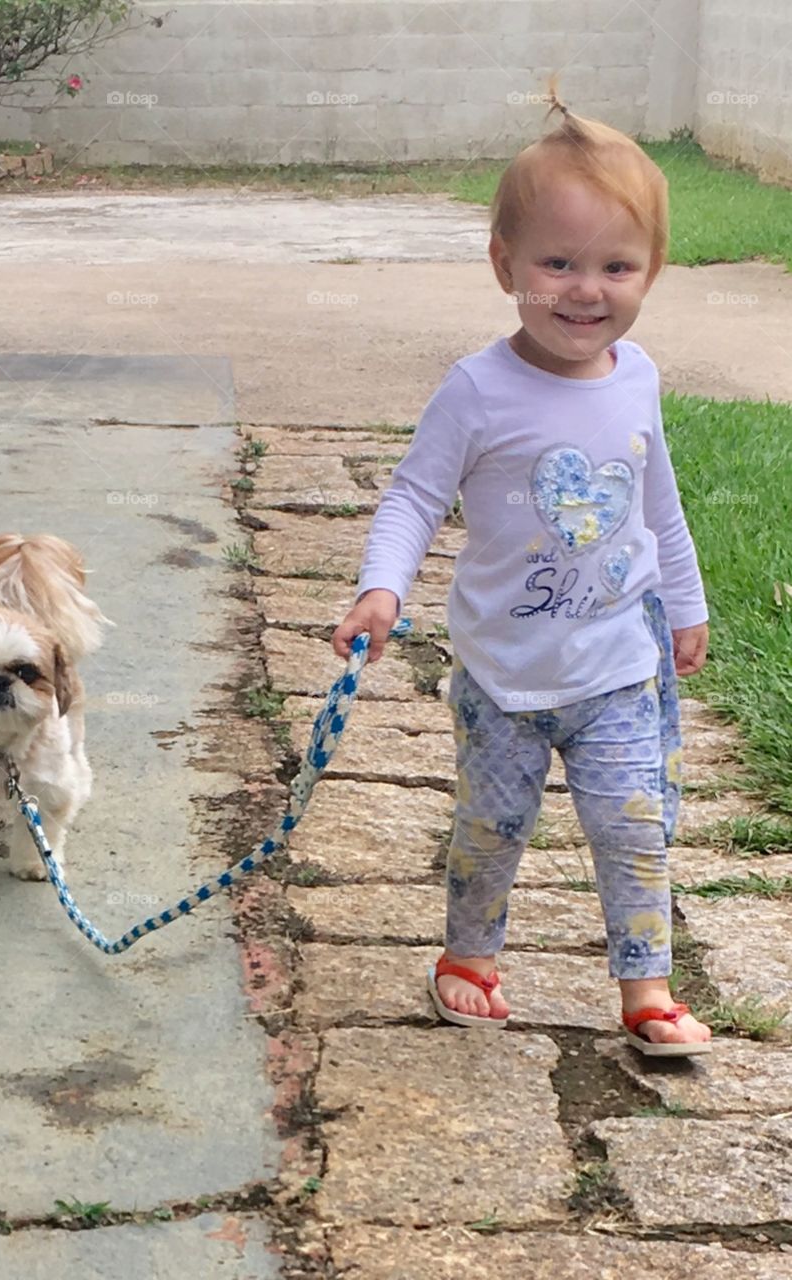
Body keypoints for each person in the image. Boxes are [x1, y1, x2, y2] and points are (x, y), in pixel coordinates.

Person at [332, 94, 712, 1057]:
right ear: (504, 265)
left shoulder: (638, 379)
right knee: (490, 828)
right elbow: (414, 498)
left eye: (615, 267)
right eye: (557, 263)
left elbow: (655, 503)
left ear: (649, 273)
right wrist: (383, 587)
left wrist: (686, 603)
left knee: (632, 831)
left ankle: (645, 991)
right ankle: (468, 957)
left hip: (617, 664)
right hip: (502, 676)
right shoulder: (477, 390)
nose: (586, 291)